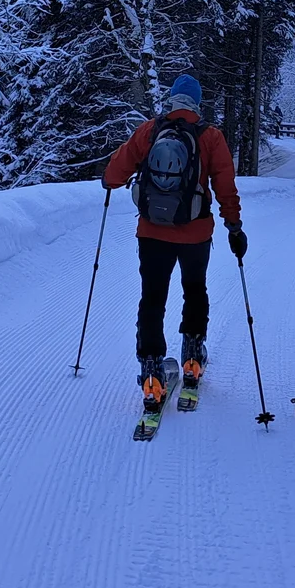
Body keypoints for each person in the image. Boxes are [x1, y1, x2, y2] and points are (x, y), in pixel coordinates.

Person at [103, 74, 246, 414]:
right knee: (195, 289)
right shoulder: (210, 136)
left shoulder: (150, 131)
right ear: (197, 102)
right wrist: (234, 224)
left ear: (172, 99)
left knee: (152, 297)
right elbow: (225, 186)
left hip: (152, 232)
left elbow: (115, 173)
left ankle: (152, 372)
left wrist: (109, 179)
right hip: (196, 232)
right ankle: (193, 358)